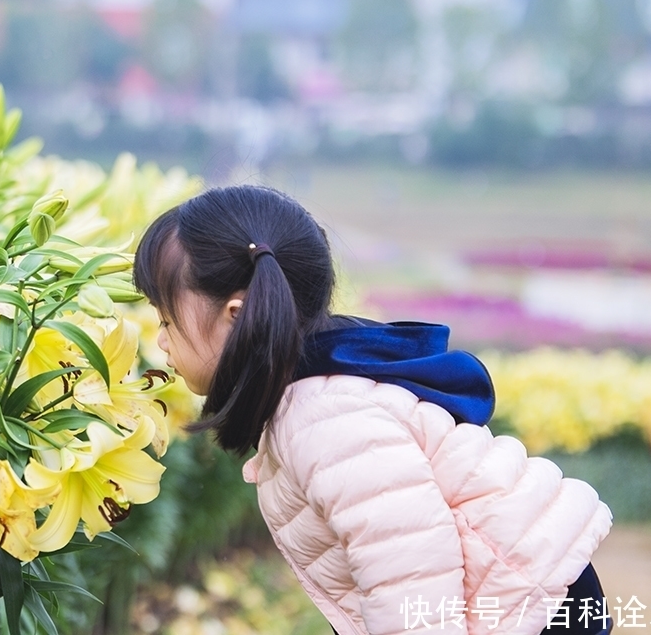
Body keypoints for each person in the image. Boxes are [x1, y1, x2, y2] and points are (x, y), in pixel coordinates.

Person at [133, 185, 612, 635]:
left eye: (166, 319)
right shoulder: (316, 395)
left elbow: (412, 578)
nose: (160, 340)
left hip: (531, 609)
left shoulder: (323, 421)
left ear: (234, 316)